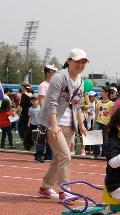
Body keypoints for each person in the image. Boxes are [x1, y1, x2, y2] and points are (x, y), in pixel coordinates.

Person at [37, 48, 88, 201]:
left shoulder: (81, 81)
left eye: (83, 62)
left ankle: (45, 187)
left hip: (69, 125)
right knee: (65, 156)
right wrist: (53, 125)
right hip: (54, 123)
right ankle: (65, 191)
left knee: (58, 158)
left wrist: (81, 124)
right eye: (78, 61)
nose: (80, 64)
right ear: (69, 61)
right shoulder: (59, 77)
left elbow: (77, 104)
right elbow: (51, 102)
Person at [93, 86, 114, 158]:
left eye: (102, 91)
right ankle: (96, 154)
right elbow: (96, 114)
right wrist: (94, 123)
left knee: (105, 140)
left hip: (106, 123)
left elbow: (111, 115)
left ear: (106, 93)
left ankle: (104, 154)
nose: (100, 92)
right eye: (100, 91)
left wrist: (110, 125)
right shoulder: (98, 102)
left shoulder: (110, 103)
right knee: (95, 138)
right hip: (98, 122)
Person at [15, 83, 33, 148]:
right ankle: (30, 141)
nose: (20, 88)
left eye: (21, 87)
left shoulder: (24, 94)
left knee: (22, 128)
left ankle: (25, 142)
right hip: (31, 113)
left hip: (25, 113)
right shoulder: (31, 94)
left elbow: (21, 104)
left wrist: (15, 111)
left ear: (24, 88)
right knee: (29, 128)